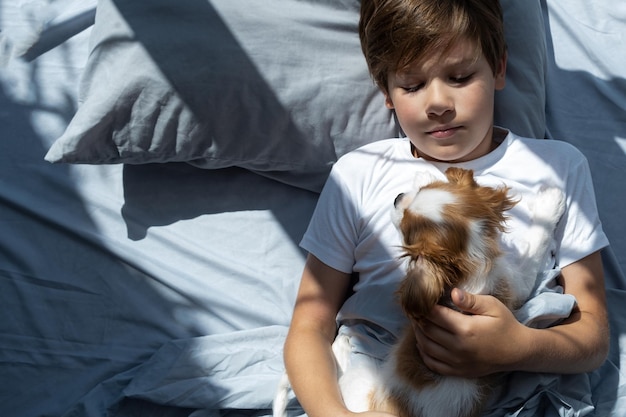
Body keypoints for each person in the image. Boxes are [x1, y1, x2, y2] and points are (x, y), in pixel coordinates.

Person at [282, 0, 610, 416]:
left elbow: (594, 335)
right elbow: (309, 325)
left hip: (516, 395)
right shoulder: (357, 174)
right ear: (385, 91)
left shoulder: (558, 167)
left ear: (500, 68)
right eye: (412, 85)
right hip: (378, 389)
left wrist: (519, 348)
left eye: (459, 76)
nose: (438, 102)